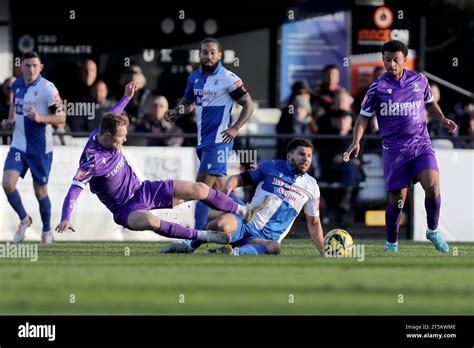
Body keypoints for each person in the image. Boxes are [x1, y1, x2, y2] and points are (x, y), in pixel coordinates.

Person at [55, 82, 264, 244]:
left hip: (143, 190)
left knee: (199, 188)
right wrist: (66, 217)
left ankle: (244, 212)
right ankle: (203, 236)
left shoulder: (102, 131)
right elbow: (74, 190)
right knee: (151, 222)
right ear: (107, 136)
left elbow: (114, 114)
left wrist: (127, 98)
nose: (125, 140)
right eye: (121, 138)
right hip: (125, 209)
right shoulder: (91, 160)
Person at [343, 40, 457, 253]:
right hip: (394, 150)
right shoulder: (378, 87)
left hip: (420, 144)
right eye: (387, 59)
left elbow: (430, 102)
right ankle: (391, 244)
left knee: (432, 186)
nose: (391, 64)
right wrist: (355, 141)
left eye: (396, 60)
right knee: (397, 201)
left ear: (405, 60)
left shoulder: (419, 80)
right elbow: (363, 117)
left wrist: (441, 119)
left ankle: (432, 230)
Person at [161, 138, 324, 256]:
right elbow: (238, 179)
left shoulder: (312, 187)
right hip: (246, 222)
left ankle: (233, 252)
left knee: (275, 248)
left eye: (309, 156)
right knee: (219, 224)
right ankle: (189, 245)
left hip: (265, 238)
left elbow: (314, 223)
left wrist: (323, 251)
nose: (306, 159)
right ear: (289, 156)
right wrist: (229, 187)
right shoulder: (271, 166)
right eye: (301, 154)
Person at [165, 38, 254, 248]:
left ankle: (193, 239)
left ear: (220, 55)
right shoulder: (195, 77)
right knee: (222, 192)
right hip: (203, 143)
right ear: (200, 54)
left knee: (200, 188)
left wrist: (235, 128)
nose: (209, 56)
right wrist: (175, 112)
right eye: (205, 52)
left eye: (213, 52)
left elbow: (248, 105)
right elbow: (188, 104)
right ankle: (254, 217)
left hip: (219, 142)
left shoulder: (228, 78)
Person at [2, 51, 65, 244]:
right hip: (19, 146)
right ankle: (24, 219)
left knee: (40, 191)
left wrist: (41, 118)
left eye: (34, 66)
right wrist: (11, 121)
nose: (30, 69)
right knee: (7, 184)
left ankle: (46, 231)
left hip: (40, 149)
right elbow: (15, 107)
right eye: (27, 65)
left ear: (40, 67)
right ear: (21, 67)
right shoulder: (17, 84)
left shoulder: (48, 89)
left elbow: (62, 118)